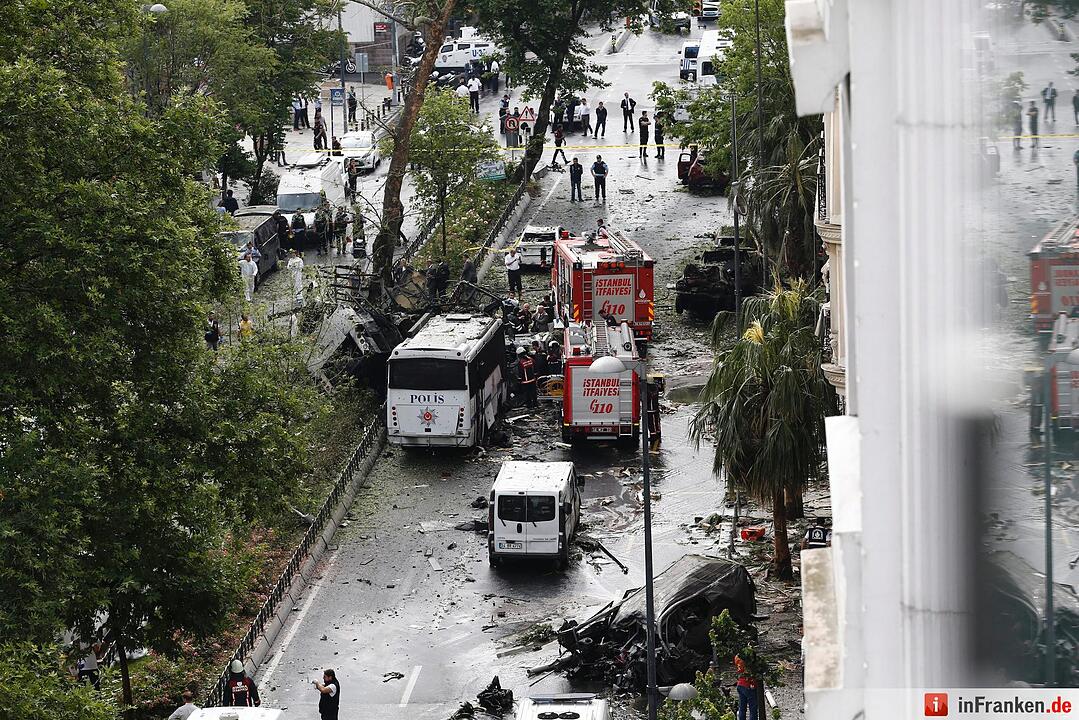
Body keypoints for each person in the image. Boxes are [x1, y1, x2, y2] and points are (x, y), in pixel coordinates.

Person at [734, 654, 758, 720]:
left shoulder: (738, 657)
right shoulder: (750, 658)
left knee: (742, 708)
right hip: (749, 684)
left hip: (740, 684)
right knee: (753, 709)